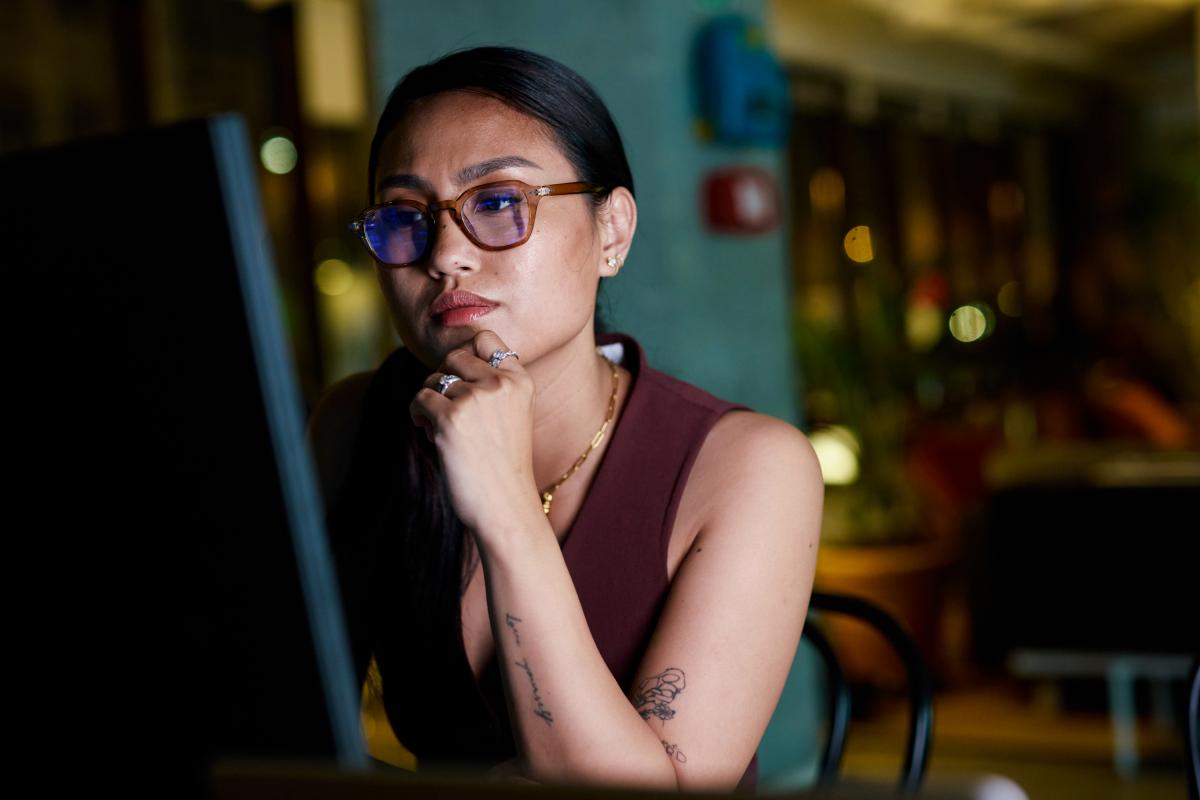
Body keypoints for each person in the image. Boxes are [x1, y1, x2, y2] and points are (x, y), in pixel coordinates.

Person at [307, 46, 823, 793]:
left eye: (497, 201)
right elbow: (282, 736)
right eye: (405, 216)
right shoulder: (358, 421)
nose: (446, 254)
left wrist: (506, 508)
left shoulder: (750, 465)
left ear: (611, 231)